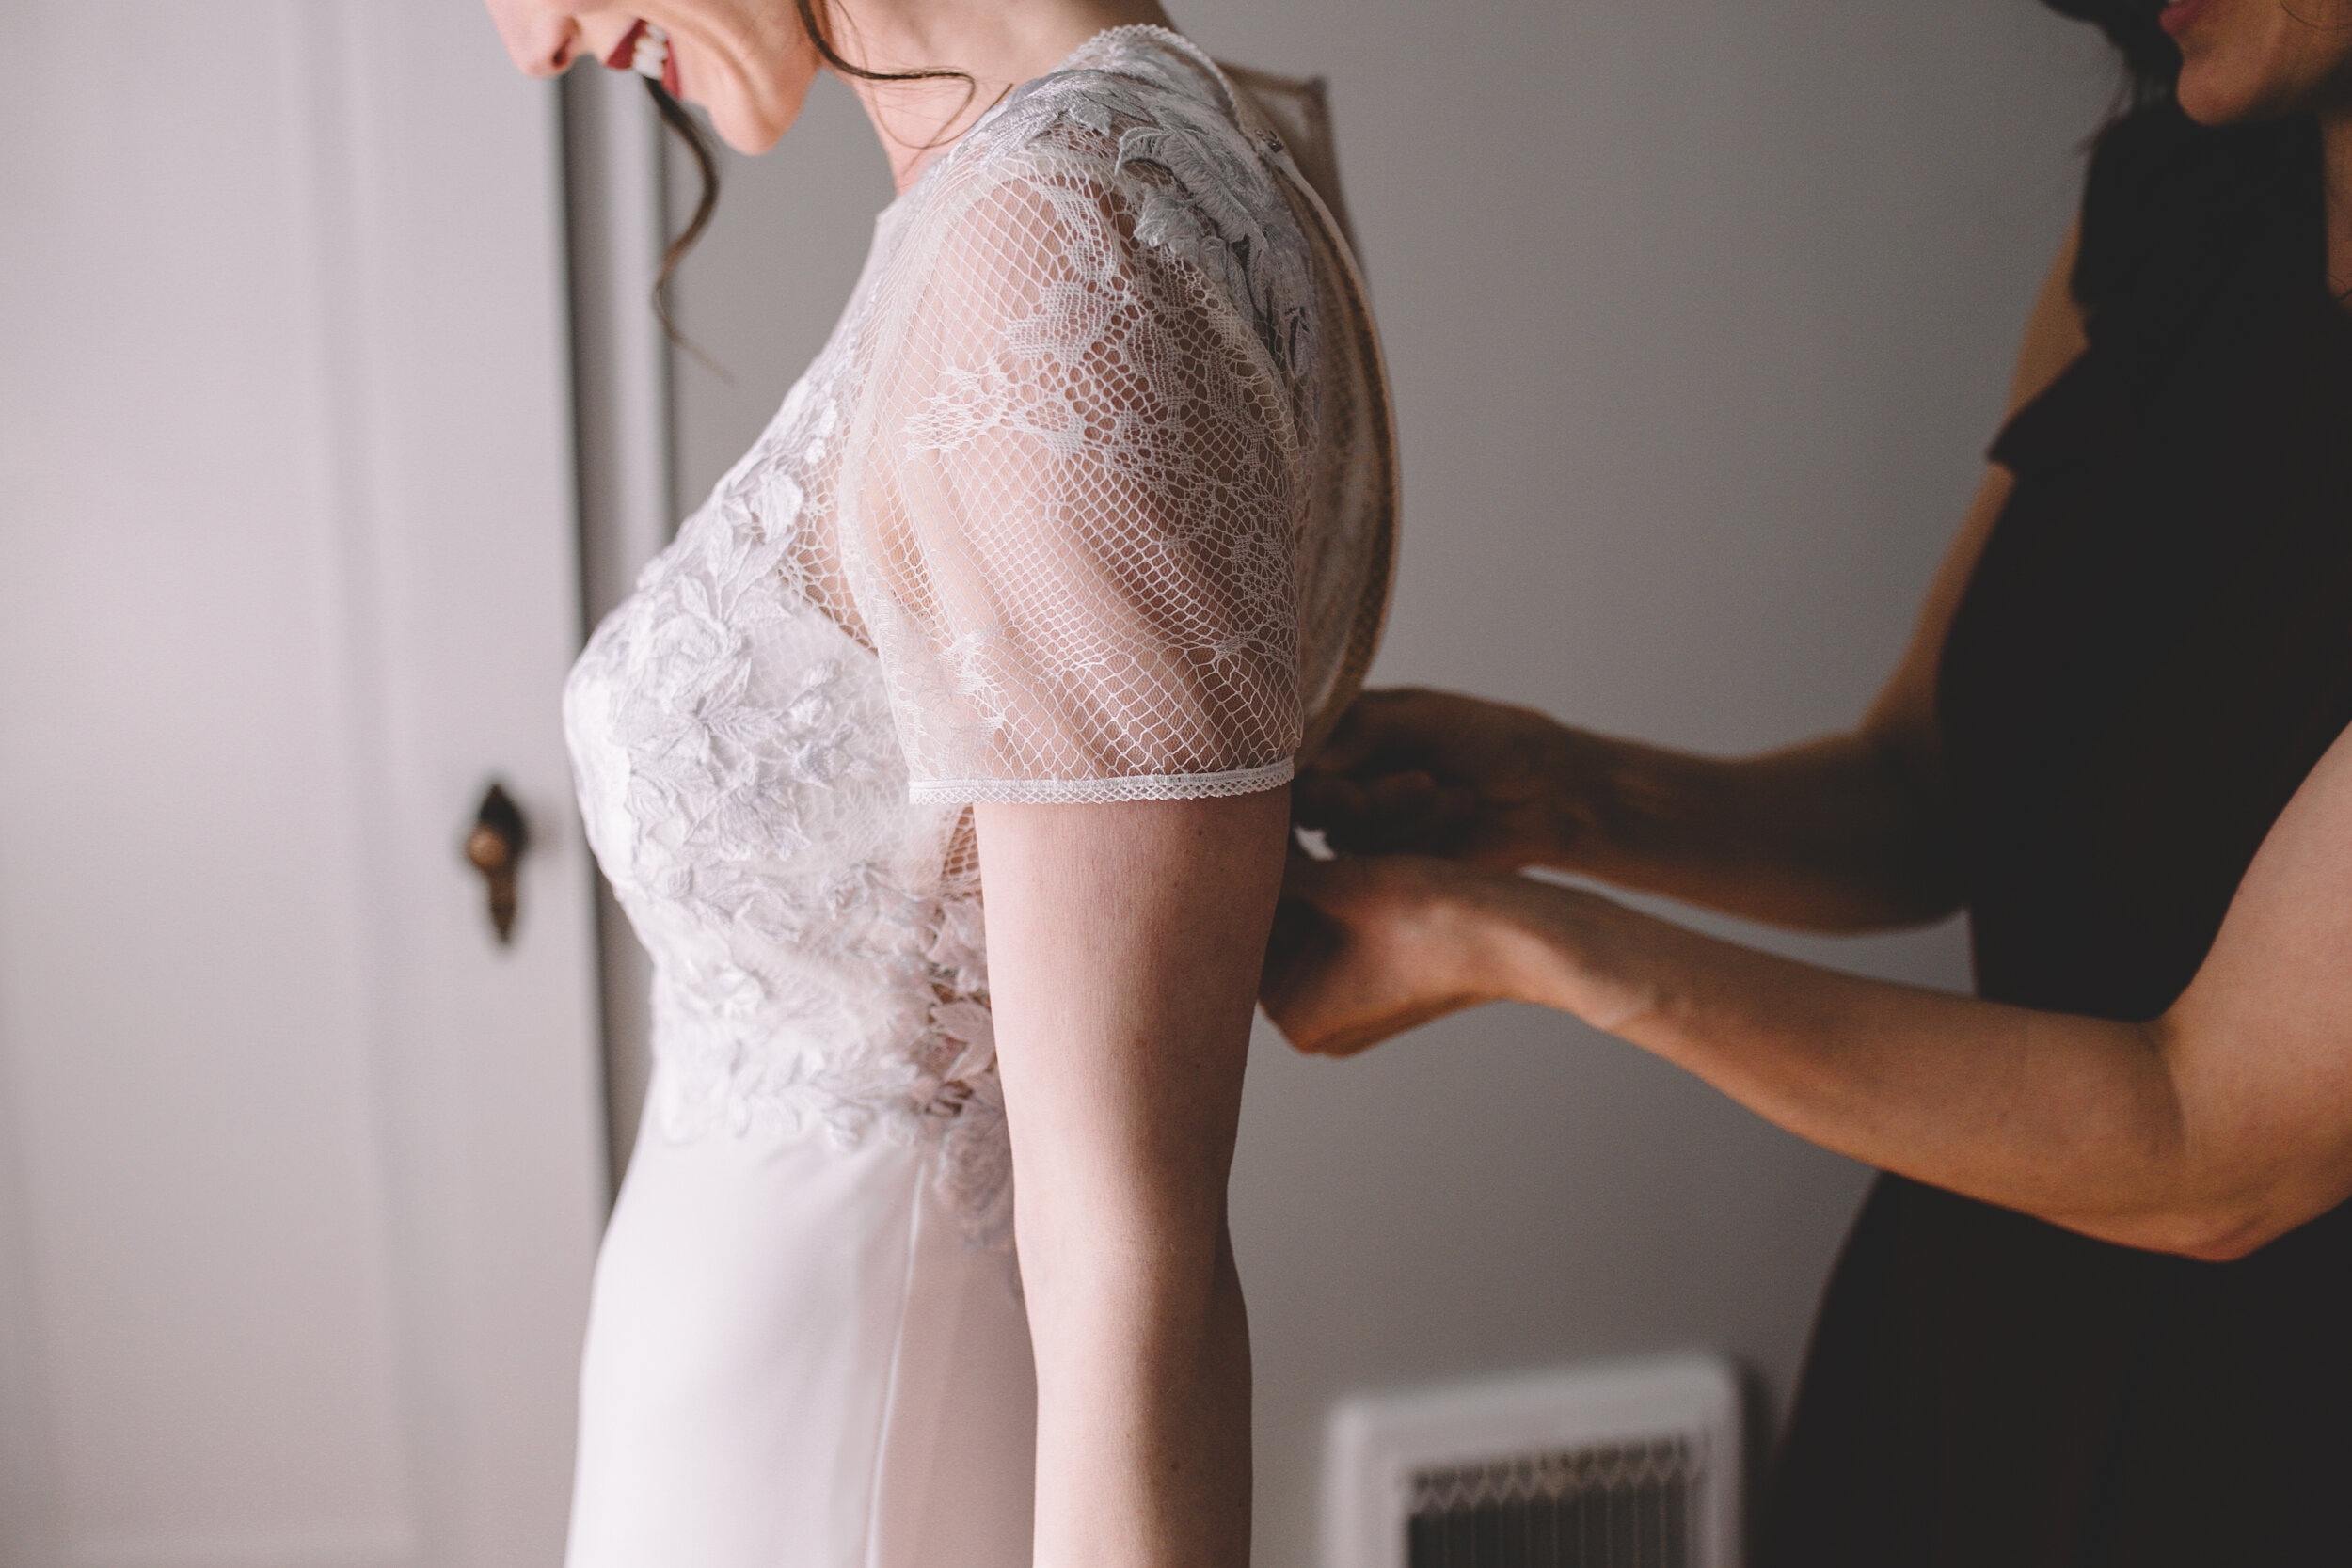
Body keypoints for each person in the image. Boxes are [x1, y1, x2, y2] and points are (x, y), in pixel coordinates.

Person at [1263, 1, 2352, 1562]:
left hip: (2272, 1434)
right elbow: (1928, 791)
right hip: (1974, 1330)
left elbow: (2211, 1141)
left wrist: (1526, 950)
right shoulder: (2164, 223)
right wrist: (1571, 799)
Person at [485, 2, 1394, 1565]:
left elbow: (1131, 1265)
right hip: (778, 1433)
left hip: (845, 1468)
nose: (535, 39)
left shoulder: (1054, 250)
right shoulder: (1150, 156)